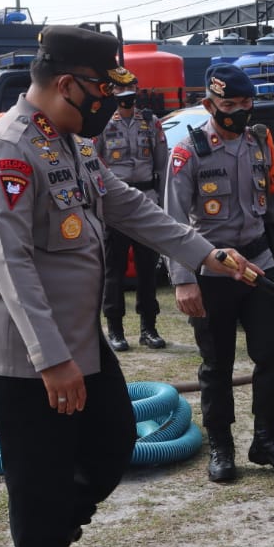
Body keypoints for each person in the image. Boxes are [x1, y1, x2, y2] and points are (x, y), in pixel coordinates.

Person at [0, 25, 255, 547]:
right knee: (39, 476)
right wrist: (52, 360)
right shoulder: (6, 150)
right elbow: (11, 265)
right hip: (28, 352)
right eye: (101, 89)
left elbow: (127, 205)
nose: (108, 102)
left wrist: (205, 253)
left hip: (79, 339)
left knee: (112, 441)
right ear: (68, 84)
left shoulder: (68, 141)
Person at [164, 63, 274, 484]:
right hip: (213, 272)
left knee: (272, 355)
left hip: (258, 267)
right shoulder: (188, 152)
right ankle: (221, 445)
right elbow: (173, 222)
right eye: (230, 105)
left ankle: (267, 439)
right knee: (217, 363)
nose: (240, 112)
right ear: (210, 105)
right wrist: (183, 279)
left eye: (246, 103)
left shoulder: (260, 143)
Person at [97, 88, 169, 351]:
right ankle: (115, 329)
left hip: (146, 201)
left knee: (148, 269)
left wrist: (161, 202)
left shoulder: (150, 122)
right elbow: (94, 163)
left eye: (130, 95)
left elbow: (162, 164)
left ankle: (148, 328)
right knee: (113, 270)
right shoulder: (103, 123)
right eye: (121, 96)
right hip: (116, 203)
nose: (127, 101)